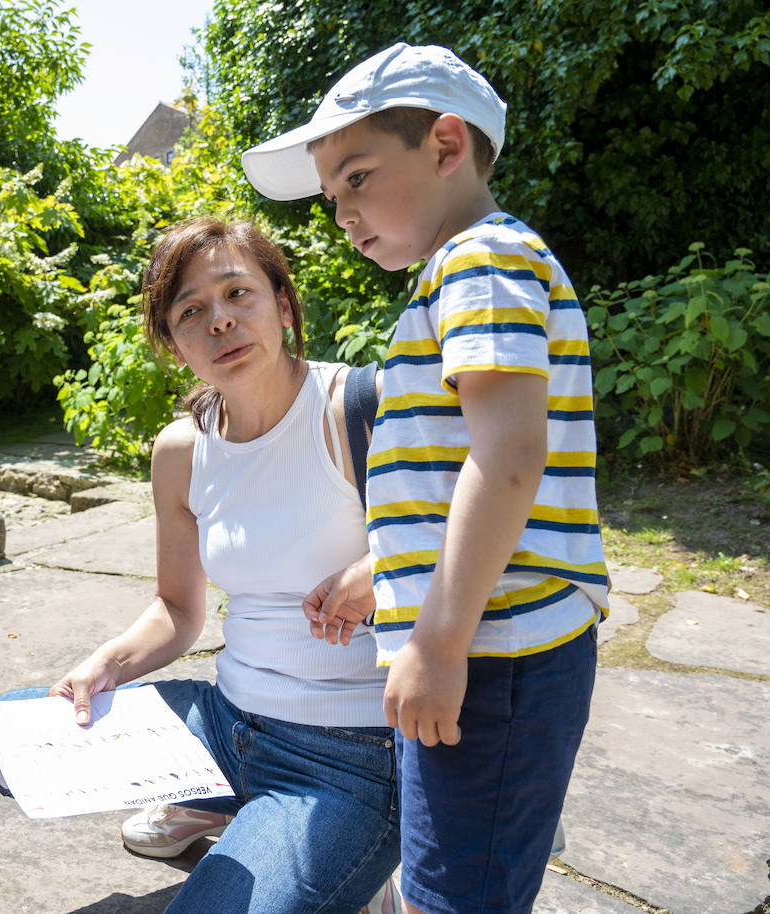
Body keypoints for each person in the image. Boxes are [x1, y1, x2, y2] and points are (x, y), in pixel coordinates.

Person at [242, 43, 609, 914]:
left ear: (446, 145)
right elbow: (455, 475)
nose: (342, 213)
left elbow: (509, 460)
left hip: (493, 653)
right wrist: (387, 572)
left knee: (456, 895)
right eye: (332, 198)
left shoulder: (482, 262)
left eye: (358, 178)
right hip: (478, 645)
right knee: (440, 877)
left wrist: (439, 644)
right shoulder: (463, 272)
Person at [0, 218, 401, 914]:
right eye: (191, 311)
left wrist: (382, 568)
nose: (221, 321)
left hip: (349, 759)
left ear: (283, 305)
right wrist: (106, 665)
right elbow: (177, 609)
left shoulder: (360, 408)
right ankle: (227, 809)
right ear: (172, 344)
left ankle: (356, 862)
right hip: (225, 728)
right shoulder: (182, 450)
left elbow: (477, 536)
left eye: (239, 294)